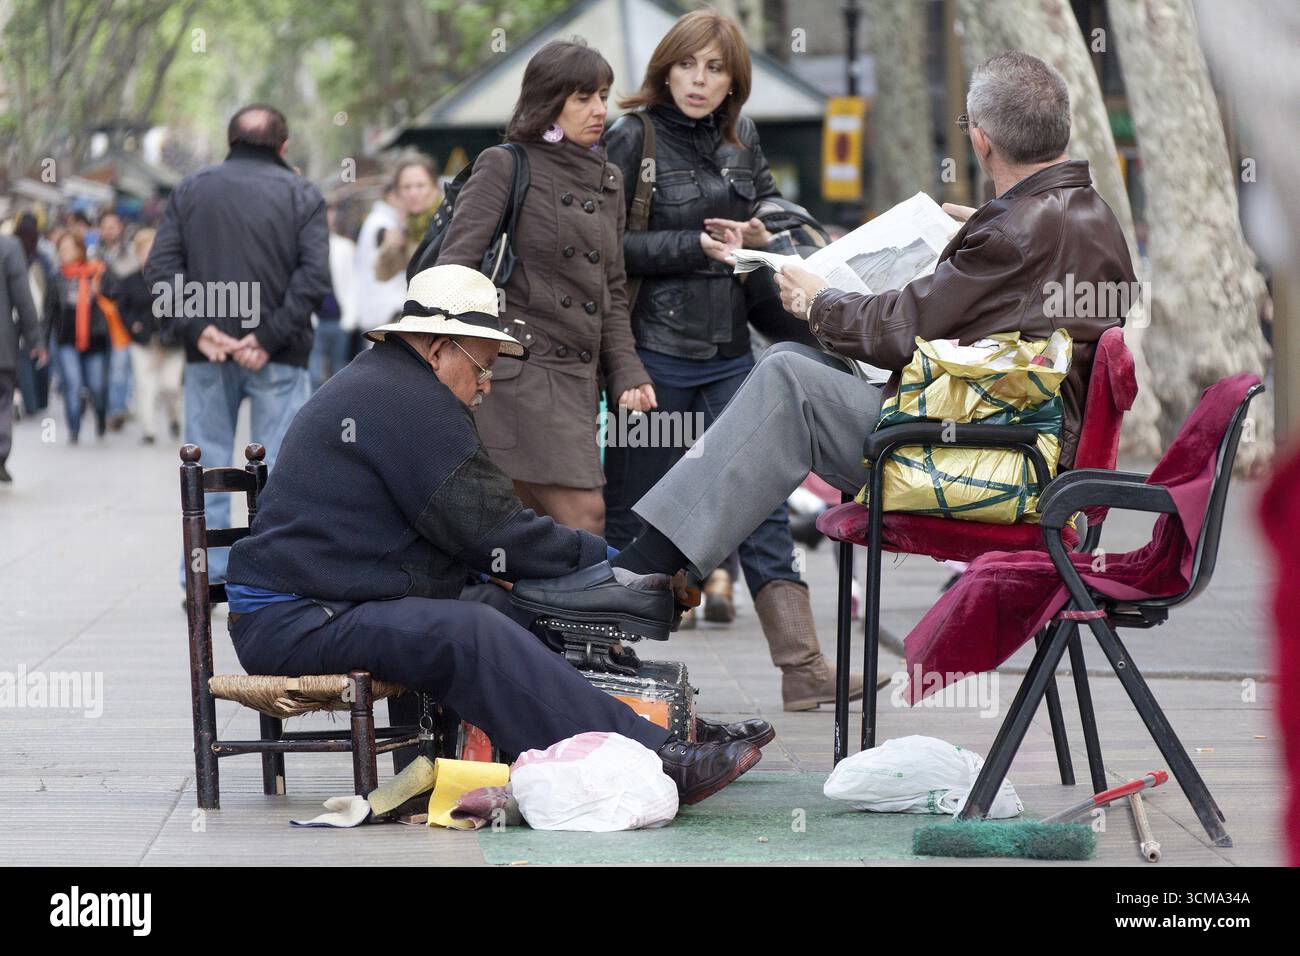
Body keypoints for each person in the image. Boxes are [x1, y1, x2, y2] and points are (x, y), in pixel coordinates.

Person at [609, 52, 1137, 691]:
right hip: (1024, 443)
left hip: (990, 459)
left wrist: (817, 301)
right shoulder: (1091, 214)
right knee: (793, 368)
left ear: (979, 137)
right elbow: (1043, 302)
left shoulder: (1019, 229)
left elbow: (902, 332)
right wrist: (988, 233)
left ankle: (643, 572)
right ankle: (660, 574)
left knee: (788, 378)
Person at [225, 264, 767, 805]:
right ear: (438, 349)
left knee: (512, 609)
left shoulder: (391, 383)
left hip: (329, 601)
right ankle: (657, 757)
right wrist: (610, 559)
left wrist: (558, 568)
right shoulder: (408, 400)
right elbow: (495, 530)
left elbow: (471, 535)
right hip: (295, 619)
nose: (487, 383)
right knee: (472, 632)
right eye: (482, 366)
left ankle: (658, 733)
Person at [602, 9, 859, 711]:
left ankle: (803, 669)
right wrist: (693, 246)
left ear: (733, 80)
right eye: (689, 65)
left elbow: (772, 207)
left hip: (732, 352)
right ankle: (607, 664)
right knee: (637, 514)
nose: (700, 80)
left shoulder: (741, 136)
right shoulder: (634, 135)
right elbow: (606, 247)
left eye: (716, 69)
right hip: (653, 355)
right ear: (666, 67)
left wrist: (758, 229)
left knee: (766, 504)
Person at [437, 39, 653, 535]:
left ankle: (523, 614)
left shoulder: (610, 180)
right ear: (547, 102)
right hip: (516, 376)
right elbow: (455, 267)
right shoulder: (507, 163)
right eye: (582, 98)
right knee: (583, 517)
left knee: (522, 530)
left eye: (603, 95)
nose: (599, 110)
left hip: (579, 382)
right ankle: (568, 613)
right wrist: (468, 362)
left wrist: (627, 370)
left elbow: (612, 288)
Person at [147, 103, 330, 584]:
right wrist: (266, 338)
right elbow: (313, 280)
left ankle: (207, 576)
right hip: (278, 353)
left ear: (230, 142)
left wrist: (198, 327)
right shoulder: (302, 194)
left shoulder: (191, 190)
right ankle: (268, 579)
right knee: (276, 468)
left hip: (208, 353)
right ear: (284, 147)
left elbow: (160, 271)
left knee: (204, 464)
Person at [116, 228, 183, 444]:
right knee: (145, 386)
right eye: (145, 250)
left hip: (172, 343)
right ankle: (149, 430)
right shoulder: (130, 281)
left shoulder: (175, 278)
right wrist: (131, 326)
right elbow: (122, 308)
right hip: (143, 342)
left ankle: (174, 416)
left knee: (170, 385)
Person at [47, 233, 116, 444]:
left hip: (94, 340)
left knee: (97, 386)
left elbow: (117, 295)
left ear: (79, 249)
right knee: (72, 384)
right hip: (67, 339)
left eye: (69, 248)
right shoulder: (57, 278)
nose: (65, 253)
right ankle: (74, 429)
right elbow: (49, 311)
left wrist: (100, 292)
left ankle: (101, 418)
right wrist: (41, 341)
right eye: (62, 249)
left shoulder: (97, 272)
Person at [1, 231, 44, 482]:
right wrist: (35, 339)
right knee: (3, 401)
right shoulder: (8, 247)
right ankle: (0, 455)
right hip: (2, 346)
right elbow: (23, 297)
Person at [350, 182, 406, 355]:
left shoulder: (376, 219)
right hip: (386, 309)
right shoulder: (383, 223)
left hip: (378, 308)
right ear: (392, 196)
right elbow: (387, 237)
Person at [95, 210, 136, 431]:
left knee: (120, 365)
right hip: (97, 320)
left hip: (121, 318)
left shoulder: (129, 254)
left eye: (113, 225)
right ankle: (106, 405)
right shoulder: (93, 254)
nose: (110, 230)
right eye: (105, 226)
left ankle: (117, 409)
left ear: (119, 228)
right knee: (102, 368)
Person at [308, 205, 356, 389]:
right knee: (314, 375)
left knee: (338, 374)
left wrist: (350, 317)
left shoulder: (345, 246)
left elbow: (352, 282)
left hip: (339, 318)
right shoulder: (306, 246)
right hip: (314, 320)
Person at [373, 154, 441, 284]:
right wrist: (389, 246)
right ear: (398, 192)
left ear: (434, 187)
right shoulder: (406, 230)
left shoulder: (450, 220)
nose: (413, 193)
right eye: (407, 187)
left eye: (420, 185)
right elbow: (382, 275)